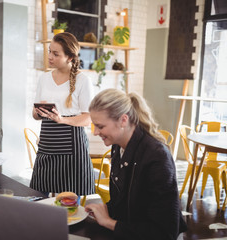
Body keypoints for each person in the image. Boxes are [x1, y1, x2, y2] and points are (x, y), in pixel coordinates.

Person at [85, 88, 187, 239]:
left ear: (123, 120)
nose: (95, 132)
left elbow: (164, 233)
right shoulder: (118, 147)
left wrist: (108, 222)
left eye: (100, 126)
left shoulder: (157, 156)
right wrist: (104, 209)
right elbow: (124, 201)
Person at [30, 32, 95, 196]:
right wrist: (38, 112)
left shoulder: (83, 81)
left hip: (72, 145)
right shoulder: (44, 78)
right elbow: (34, 115)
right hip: (47, 142)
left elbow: (88, 118)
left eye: (55, 53)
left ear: (70, 57)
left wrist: (61, 119)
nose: (50, 56)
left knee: (69, 204)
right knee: (39, 197)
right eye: (49, 51)